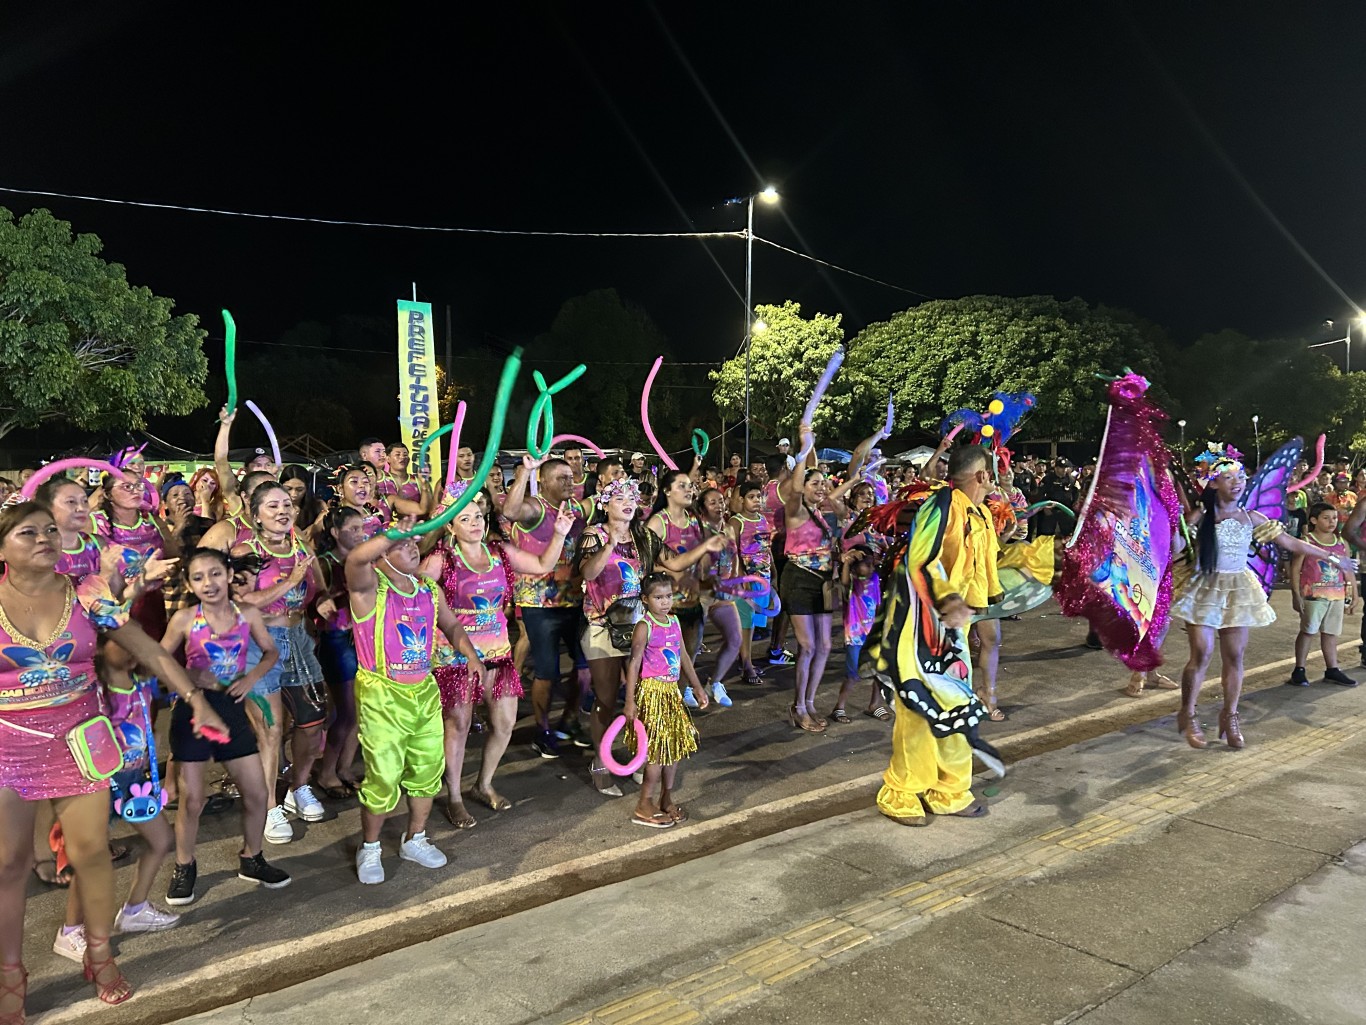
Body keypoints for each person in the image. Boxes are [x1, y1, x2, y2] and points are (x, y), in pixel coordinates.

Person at [0, 503, 229, 1019]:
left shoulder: (87, 596)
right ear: (1, 548)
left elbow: (151, 652)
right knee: (8, 867)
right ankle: (10, 977)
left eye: (49, 531)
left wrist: (196, 701)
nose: (44, 538)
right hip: (7, 746)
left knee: (92, 853)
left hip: (80, 743)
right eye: (26, 532)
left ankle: (99, 952)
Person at [1172, 452, 1356, 749]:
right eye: (1228, 477)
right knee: (1202, 654)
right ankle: (1188, 714)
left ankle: (1229, 716)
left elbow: (1291, 543)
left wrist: (1332, 557)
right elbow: (1176, 545)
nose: (1237, 482)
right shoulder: (1200, 516)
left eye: (1241, 477)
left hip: (1237, 589)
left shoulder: (1252, 517)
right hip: (1205, 587)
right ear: (1214, 483)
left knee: (1234, 657)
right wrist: (1174, 528)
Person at [345, 517, 484, 885]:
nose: (411, 547)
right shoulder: (369, 588)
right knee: (384, 775)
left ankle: (415, 838)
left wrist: (470, 654)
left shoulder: (427, 589)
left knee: (427, 770)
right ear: (382, 554)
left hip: (423, 692)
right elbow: (355, 561)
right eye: (401, 544)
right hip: (382, 697)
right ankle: (370, 846)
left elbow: (452, 625)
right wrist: (392, 533)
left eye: (412, 542)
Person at [421, 497, 574, 828]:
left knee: (504, 723)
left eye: (478, 516)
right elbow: (413, 592)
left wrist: (560, 533)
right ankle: (454, 797)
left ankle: (483, 784)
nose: (476, 522)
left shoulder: (500, 553)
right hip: (453, 657)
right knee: (458, 726)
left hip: (499, 654)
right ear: (450, 526)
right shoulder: (441, 559)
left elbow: (543, 564)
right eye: (465, 519)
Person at [874, 445, 999, 826]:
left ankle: (949, 789)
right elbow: (918, 560)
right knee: (918, 710)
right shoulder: (940, 506)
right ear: (981, 476)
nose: (993, 482)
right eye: (991, 475)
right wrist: (949, 600)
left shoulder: (978, 512)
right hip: (921, 625)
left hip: (953, 629)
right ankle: (902, 792)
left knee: (955, 708)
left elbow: (981, 571)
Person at [159, 548, 290, 906]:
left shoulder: (246, 614)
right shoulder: (185, 619)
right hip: (193, 711)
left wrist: (251, 679)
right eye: (198, 577)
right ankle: (184, 866)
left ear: (229, 575)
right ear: (189, 583)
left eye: (215, 573)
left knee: (258, 793)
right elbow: (159, 660)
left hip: (233, 708)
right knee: (193, 799)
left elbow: (270, 652)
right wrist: (187, 677)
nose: (208, 583)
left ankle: (252, 857)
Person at [578, 477, 724, 797]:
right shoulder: (594, 534)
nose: (629, 502)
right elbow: (588, 573)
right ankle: (601, 765)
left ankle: (638, 755)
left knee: (641, 697)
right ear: (605, 504)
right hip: (601, 625)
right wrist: (609, 544)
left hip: (638, 625)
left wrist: (705, 546)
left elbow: (673, 563)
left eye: (632, 497)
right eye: (620, 498)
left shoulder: (643, 535)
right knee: (606, 699)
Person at [231, 483, 326, 842]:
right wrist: (290, 582)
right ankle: (269, 807)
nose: (283, 511)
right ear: (255, 514)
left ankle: (297, 789)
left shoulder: (301, 546)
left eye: (287, 504)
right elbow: (242, 600)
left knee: (311, 722)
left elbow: (315, 589)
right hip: (260, 643)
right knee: (270, 729)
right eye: (272, 506)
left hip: (299, 640)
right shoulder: (245, 551)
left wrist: (320, 602)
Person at [501, 456, 594, 757]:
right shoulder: (536, 508)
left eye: (571, 477)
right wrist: (525, 471)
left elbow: (604, 502)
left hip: (575, 601)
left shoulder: (575, 508)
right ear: (543, 481)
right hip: (539, 604)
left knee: (584, 670)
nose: (570, 482)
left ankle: (570, 720)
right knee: (547, 672)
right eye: (562, 478)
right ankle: (542, 729)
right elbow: (510, 510)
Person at [623, 575, 709, 829]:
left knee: (674, 749)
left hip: (672, 693)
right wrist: (630, 701)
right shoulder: (644, 626)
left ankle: (666, 798)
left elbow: (683, 656)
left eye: (669, 596)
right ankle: (644, 802)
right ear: (645, 600)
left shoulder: (674, 621)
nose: (665, 602)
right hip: (652, 694)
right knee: (657, 752)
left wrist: (697, 686)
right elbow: (634, 663)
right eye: (658, 597)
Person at [830, 482, 892, 723]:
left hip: (879, 585)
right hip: (856, 587)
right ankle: (840, 707)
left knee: (880, 661)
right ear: (853, 498)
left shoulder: (880, 522)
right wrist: (849, 561)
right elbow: (842, 552)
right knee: (855, 670)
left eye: (871, 494)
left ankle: (875, 703)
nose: (868, 497)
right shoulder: (849, 520)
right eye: (862, 494)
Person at [1287, 502, 1357, 687]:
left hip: (1337, 595)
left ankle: (1332, 669)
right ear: (1314, 520)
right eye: (1326, 518)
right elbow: (1295, 568)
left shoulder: (1341, 543)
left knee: (1331, 633)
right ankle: (1299, 669)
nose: (1331, 522)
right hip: (1313, 595)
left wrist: (1354, 593)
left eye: (1334, 518)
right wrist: (1296, 593)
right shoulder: (1307, 541)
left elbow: (1347, 568)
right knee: (1308, 631)